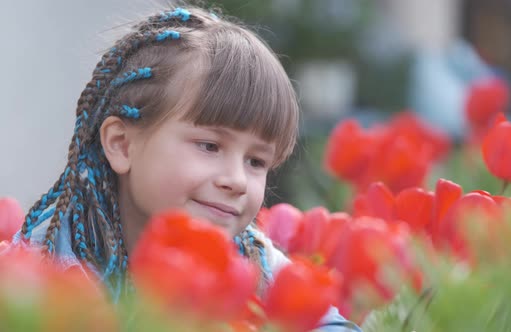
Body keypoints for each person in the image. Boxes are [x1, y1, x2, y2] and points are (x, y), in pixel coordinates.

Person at [9, 6, 360, 331]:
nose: (237, 180)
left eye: (256, 161)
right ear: (121, 144)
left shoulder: (256, 260)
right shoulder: (47, 265)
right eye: (209, 146)